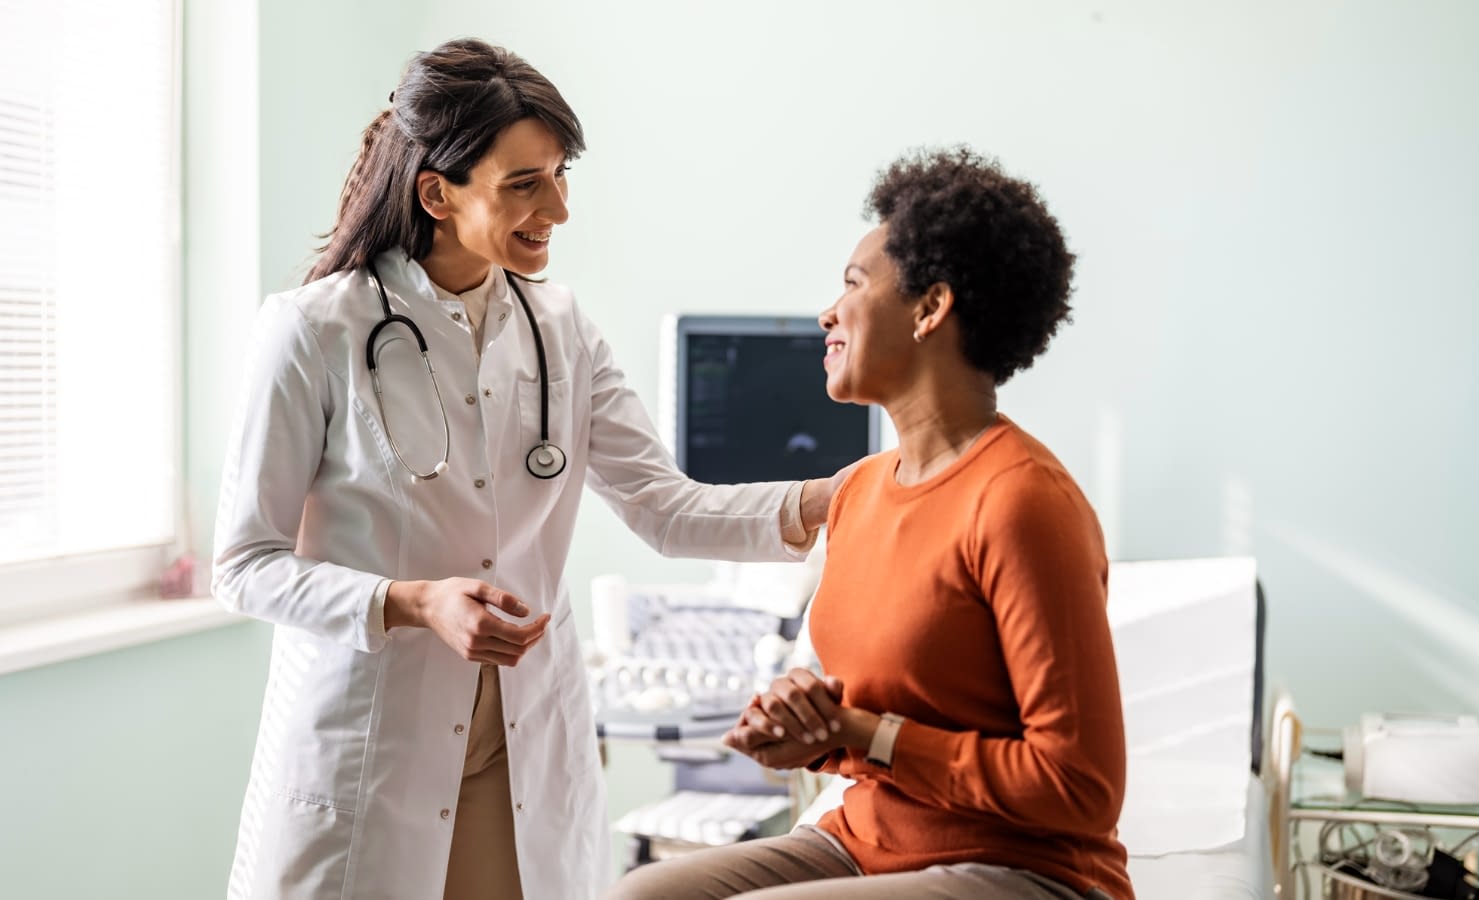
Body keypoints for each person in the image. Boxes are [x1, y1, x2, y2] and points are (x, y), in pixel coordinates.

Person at [212, 38, 844, 900]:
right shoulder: (315, 331)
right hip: (374, 746)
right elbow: (243, 567)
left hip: (521, 744)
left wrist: (845, 500)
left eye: (559, 175)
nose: (558, 208)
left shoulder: (560, 327)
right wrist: (411, 601)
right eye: (524, 184)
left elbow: (666, 508)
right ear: (437, 191)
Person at [603, 147, 1132, 900]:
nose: (828, 312)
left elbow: (1080, 786)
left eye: (853, 285)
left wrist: (860, 737)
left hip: (1021, 866)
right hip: (869, 839)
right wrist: (808, 726)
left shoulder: (1023, 501)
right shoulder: (859, 492)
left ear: (930, 308)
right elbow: (875, 711)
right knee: (637, 896)